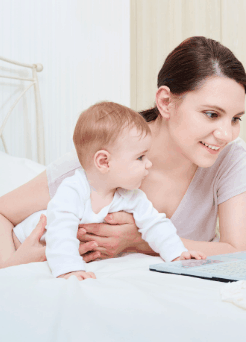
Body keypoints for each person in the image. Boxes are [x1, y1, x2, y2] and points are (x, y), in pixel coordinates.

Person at [0, 36, 246, 269]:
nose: (227, 134)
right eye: (211, 114)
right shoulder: (107, 155)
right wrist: (10, 264)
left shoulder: (230, 156)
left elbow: (242, 251)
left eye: (235, 119)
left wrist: (138, 240)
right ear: (166, 102)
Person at [12, 102, 206, 280]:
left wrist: (177, 254)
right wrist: (69, 269)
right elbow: (60, 231)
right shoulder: (73, 190)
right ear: (104, 162)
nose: (149, 164)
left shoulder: (132, 197)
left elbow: (156, 224)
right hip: (22, 240)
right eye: (140, 158)